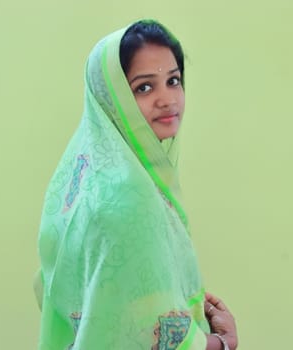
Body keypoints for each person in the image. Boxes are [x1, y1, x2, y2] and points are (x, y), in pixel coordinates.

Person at [35, 19, 238, 349]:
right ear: (112, 99)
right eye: (144, 87)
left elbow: (112, 304)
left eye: (173, 80)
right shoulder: (128, 196)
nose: (167, 99)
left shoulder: (85, 177)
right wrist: (221, 343)